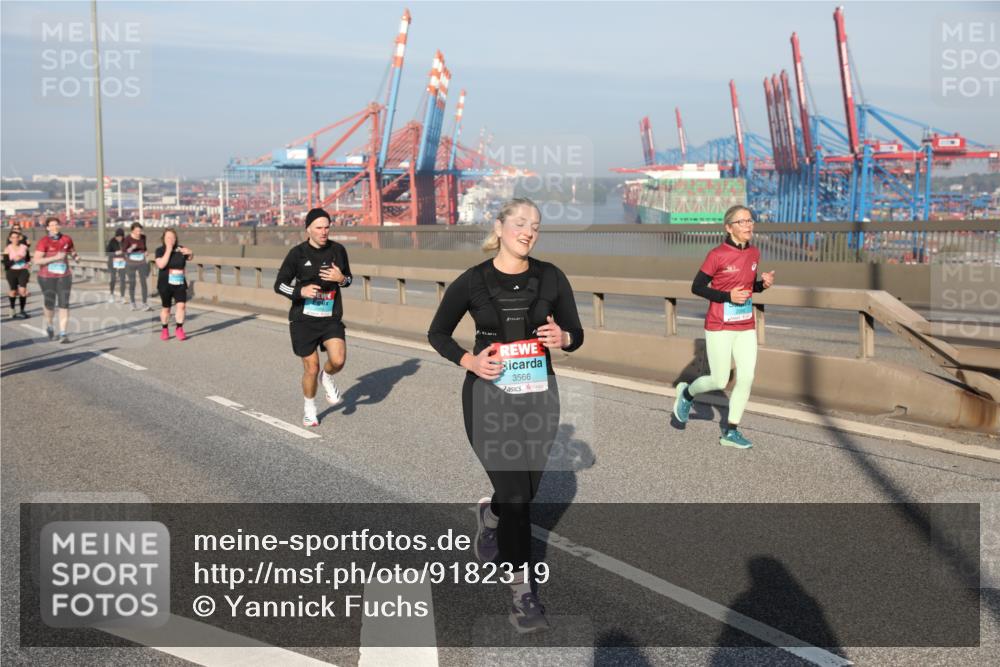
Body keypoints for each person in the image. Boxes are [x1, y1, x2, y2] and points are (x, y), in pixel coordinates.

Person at [427, 197, 583, 633]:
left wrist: (563, 336)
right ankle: (522, 594)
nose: (528, 231)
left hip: (538, 397)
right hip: (487, 396)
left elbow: (577, 333)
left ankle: (490, 515)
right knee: (517, 497)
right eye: (519, 223)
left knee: (523, 493)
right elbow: (437, 333)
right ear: (499, 227)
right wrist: (469, 362)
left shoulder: (551, 277)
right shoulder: (473, 280)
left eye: (535, 225)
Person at [672, 205, 775, 449]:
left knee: (747, 377)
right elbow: (697, 287)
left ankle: (731, 431)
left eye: (750, 220)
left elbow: (747, 288)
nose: (748, 225)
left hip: (746, 325)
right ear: (729, 228)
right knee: (719, 381)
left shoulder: (754, 254)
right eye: (742, 222)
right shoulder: (716, 255)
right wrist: (728, 297)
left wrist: (763, 285)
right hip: (719, 325)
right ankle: (687, 394)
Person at [273, 208, 351, 427]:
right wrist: (301, 292)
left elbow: (349, 280)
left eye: (327, 227)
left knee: (338, 360)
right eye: (319, 227)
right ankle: (309, 408)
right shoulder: (297, 254)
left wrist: (341, 278)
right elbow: (279, 285)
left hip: (330, 317)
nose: (324, 232)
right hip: (303, 320)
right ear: (308, 229)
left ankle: (327, 377)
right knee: (311, 368)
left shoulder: (338, 250)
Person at [33, 216, 80, 343]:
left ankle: (63, 333)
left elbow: (72, 250)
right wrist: (54, 258)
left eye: (56, 224)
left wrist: (76, 257)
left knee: (64, 304)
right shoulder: (44, 241)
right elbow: (36, 260)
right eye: (52, 225)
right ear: (48, 228)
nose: (55, 227)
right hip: (46, 277)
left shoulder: (67, 239)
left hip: (64, 276)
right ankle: (49, 324)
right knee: (50, 305)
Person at [153, 228, 194, 341]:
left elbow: (189, 258)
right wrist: (169, 250)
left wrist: (191, 253)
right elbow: (161, 265)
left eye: (173, 237)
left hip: (179, 282)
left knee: (181, 305)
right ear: (164, 239)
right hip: (165, 284)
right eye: (168, 238)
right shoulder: (160, 250)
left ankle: (179, 328)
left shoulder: (180, 249)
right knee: (166, 308)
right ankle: (165, 329)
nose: (171, 239)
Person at [122, 222, 151, 311]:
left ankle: (144, 303)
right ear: (132, 231)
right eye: (137, 231)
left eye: (140, 230)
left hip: (141, 262)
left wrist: (146, 252)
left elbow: (144, 248)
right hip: (131, 263)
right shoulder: (127, 239)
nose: (139, 232)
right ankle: (132, 303)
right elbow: (124, 252)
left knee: (143, 282)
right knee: (132, 283)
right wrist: (131, 248)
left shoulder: (143, 237)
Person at [3, 230, 31, 318]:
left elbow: (28, 258)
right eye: (13, 238)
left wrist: (28, 263)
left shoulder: (24, 247)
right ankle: (12, 309)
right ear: (10, 239)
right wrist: (14, 260)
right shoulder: (7, 249)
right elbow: (6, 263)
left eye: (17, 237)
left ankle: (22, 311)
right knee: (13, 291)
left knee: (23, 291)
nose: (15, 239)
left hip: (23, 271)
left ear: (19, 238)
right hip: (12, 272)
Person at [106, 227, 127, 303]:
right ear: (115, 236)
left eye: (121, 236)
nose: (119, 238)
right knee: (113, 279)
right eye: (118, 236)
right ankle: (111, 294)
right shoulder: (112, 241)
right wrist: (115, 253)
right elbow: (107, 252)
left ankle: (122, 296)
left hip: (122, 262)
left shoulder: (125, 241)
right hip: (113, 262)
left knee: (122, 280)